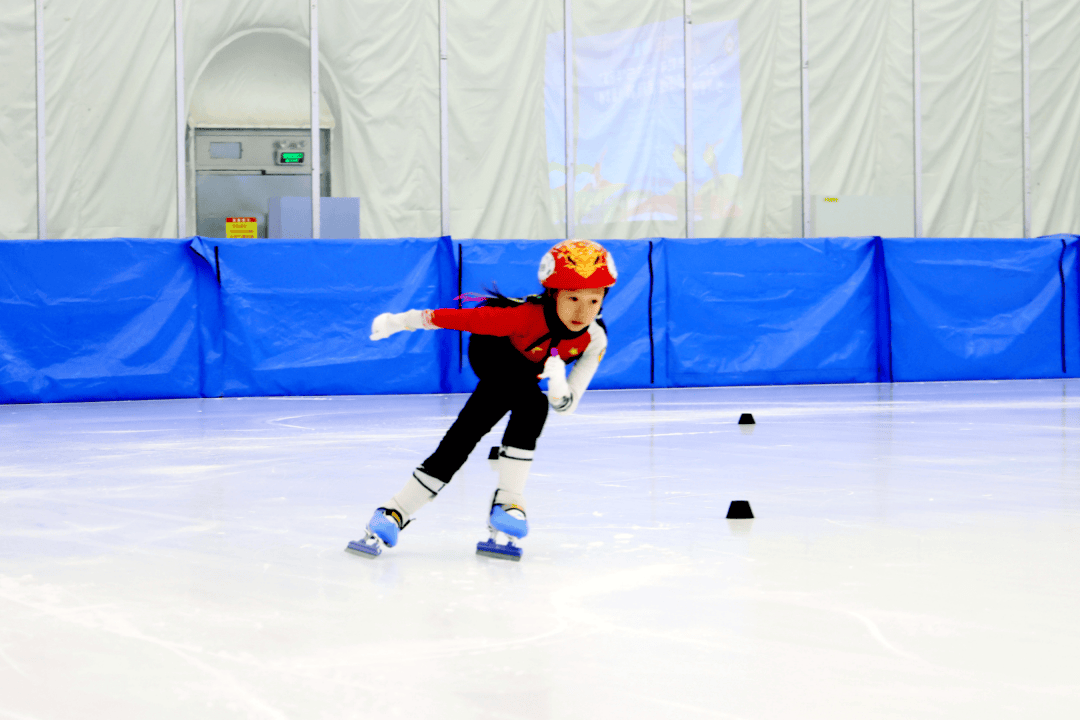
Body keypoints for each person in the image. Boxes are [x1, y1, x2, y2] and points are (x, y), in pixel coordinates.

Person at [346, 239, 618, 560]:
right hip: (492, 353)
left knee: (468, 434)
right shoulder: (520, 317)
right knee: (529, 403)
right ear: (552, 294)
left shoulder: (595, 338)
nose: (582, 311)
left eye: (593, 300)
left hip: (525, 375)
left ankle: (394, 512)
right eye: (572, 298)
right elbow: (458, 319)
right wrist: (399, 321)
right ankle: (508, 501)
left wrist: (558, 385)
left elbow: (567, 406)